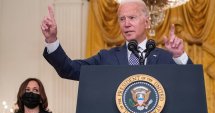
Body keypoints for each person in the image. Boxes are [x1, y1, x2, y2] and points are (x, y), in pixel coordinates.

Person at [41, 0, 193, 81]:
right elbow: (69, 69)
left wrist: (179, 56)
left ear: (147, 22)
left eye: (132, 18)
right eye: (122, 19)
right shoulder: (106, 58)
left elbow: (190, 82)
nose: (126, 24)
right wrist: (52, 40)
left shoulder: (165, 58)